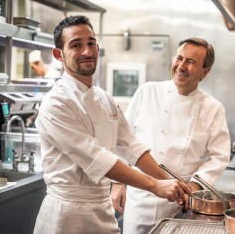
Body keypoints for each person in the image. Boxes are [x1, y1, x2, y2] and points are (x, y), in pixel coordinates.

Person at [33, 15, 191, 234]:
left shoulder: (104, 98)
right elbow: (98, 159)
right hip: (67, 216)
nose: (87, 52)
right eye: (76, 45)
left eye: (91, 43)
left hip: (102, 210)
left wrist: (172, 182)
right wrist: (155, 186)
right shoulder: (56, 103)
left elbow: (131, 147)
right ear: (59, 55)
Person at [111, 38, 231, 234]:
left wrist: (195, 184)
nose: (181, 66)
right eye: (179, 58)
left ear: (205, 72)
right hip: (139, 197)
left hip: (179, 203)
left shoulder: (213, 108)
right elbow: (121, 140)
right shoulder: (147, 92)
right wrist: (118, 183)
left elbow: (219, 156)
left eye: (191, 62)